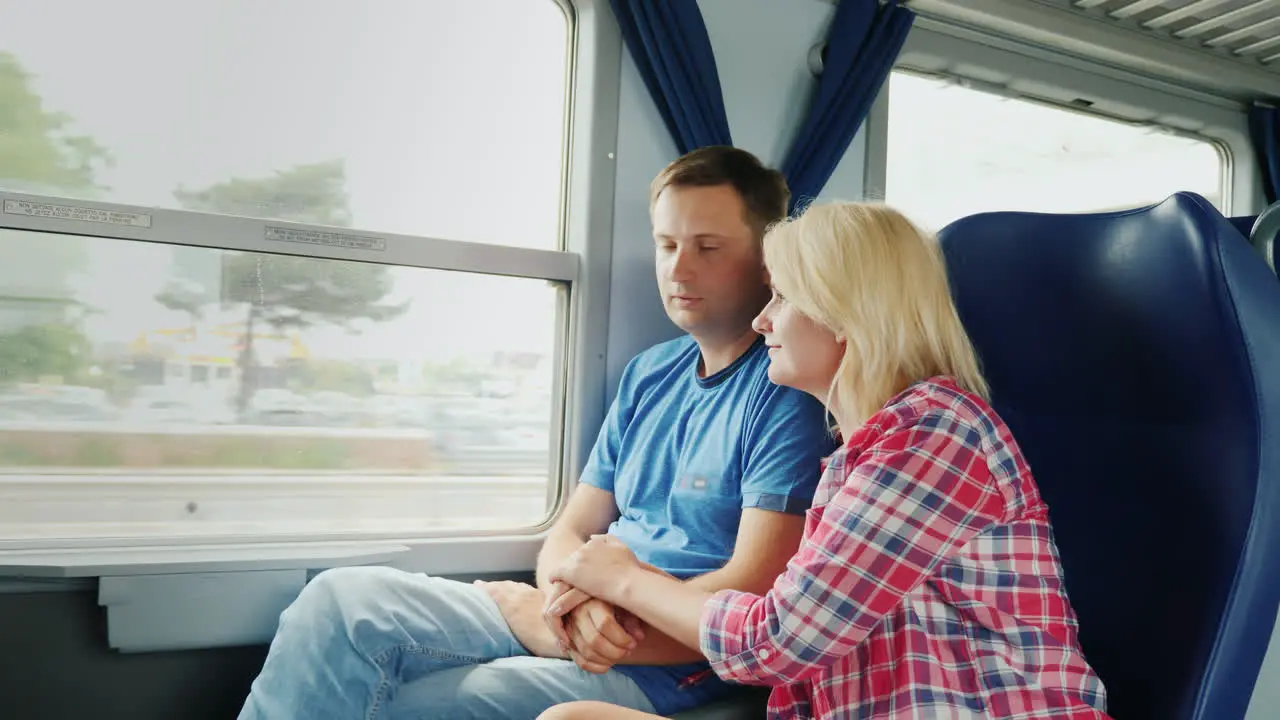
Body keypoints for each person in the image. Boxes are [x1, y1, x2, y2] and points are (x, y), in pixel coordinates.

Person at [235, 146, 836, 720]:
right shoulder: (651, 373)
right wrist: (560, 609)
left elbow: (753, 589)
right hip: (578, 614)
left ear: (766, 261)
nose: (679, 267)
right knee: (339, 602)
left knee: (408, 705)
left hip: (666, 657)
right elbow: (571, 529)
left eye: (707, 246)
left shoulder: (786, 391)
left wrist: (586, 629)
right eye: (667, 244)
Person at [537, 201, 1112, 719]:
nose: (763, 321)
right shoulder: (853, 460)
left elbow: (774, 641)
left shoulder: (935, 436)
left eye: (783, 298)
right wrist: (620, 590)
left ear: (844, 312)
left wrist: (625, 580)